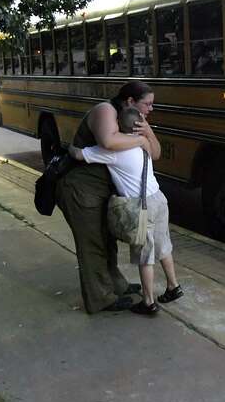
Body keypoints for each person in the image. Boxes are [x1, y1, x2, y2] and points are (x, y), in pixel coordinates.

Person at [55, 81, 162, 313]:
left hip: (103, 191)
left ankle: (116, 285)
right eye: (148, 104)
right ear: (130, 101)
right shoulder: (106, 110)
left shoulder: (131, 120)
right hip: (81, 190)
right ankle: (100, 298)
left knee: (107, 241)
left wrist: (148, 133)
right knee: (93, 244)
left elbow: (155, 154)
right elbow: (108, 142)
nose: (150, 109)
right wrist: (142, 139)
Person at [68, 107, 182, 316]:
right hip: (158, 198)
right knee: (163, 246)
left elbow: (78, 154)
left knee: (144, 255)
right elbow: (155, 152)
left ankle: (148, 302)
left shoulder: (113, 151)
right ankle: (173, 286)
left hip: (141, 206)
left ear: (118, 126)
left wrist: (70, 145)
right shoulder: (144, 142)